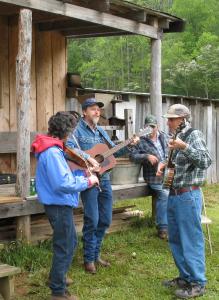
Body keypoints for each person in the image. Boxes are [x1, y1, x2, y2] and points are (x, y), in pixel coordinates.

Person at [66, 98, 139, 274]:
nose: (97, 112)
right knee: (92, 219)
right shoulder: (75, 131)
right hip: (88, 179)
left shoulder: (100, 131)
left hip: (104, 179)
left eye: (98, 109)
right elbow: (67, 148)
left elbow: (115, 150)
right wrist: (88, 157)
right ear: (84, 112)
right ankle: (89, 259)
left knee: (105, 219)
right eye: (92, 109)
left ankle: (96, 254)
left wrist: (129, 144)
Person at [31, 112, 99, 300]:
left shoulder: (53, 148)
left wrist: (84, 174)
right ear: (67, 131)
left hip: (59, 204)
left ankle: (57, 276)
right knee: (66, 245)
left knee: (69, 242)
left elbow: (66, 178)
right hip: (58, 205)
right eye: (72, 130)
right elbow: (62, 184)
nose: (73, 134)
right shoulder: (52, 152)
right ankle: (58, 292)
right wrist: (89, 182)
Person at [157, 104, 212, 299]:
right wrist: (164, 164)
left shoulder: (193, 135)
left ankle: (198, 282)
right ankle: (185, 277)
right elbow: (176, 164)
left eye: (172, 119)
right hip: (173, 194)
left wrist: (185, 147)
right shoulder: (174, 137)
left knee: (191, 239)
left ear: (183, 119)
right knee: (176, 239)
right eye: (169, 118)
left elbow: (205, 161)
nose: (168, 122)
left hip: (188, 195)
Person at [129, 114, 169, 239]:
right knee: (164, 194)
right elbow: (132, 156)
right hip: (153, 177)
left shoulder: (165, 136)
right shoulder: (140, 140)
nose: (151, 129)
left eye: (153, 126)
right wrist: (146, 156)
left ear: (157, 126)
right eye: (148, 126)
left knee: (178, 193)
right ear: (145, 127)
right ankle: (162, 228)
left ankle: (176, 224)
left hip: (168, 173)